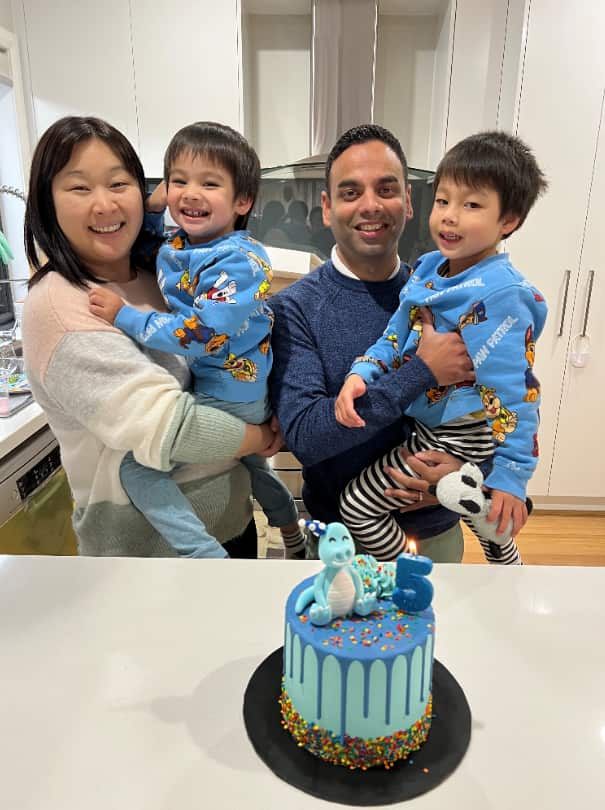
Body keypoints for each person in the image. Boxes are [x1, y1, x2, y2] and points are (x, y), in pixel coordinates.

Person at [22, 116, 281, 558]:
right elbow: (171, 430)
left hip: (230, 524)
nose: (104, 206)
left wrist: (172, 192)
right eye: (79, 188)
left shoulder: (154, 270)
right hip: (150, 557)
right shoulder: (62, 305)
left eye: (118, 184)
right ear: (47, 202)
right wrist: (263, 438)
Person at [86, 122, 305, 559]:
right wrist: (151, 201)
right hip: (227, 388)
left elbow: (201, 334)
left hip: (233, 396)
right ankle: (293, 533)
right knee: (249, 460)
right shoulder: (183, 244)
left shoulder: (239, 261)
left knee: (136, 470)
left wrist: (125, 315)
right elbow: (141, 239)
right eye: (179, 181)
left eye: (210, 183)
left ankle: (204, 556)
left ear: (242, 201)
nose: (190, 193)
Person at [336, 131, 548, 565]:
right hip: (431, 427)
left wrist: (510, 475)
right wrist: (363, 372)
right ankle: (496, 563)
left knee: (358, 506)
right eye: (443, 200)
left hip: (465, 433)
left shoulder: (501, 294)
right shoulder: (430, 268)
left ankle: (417, 579)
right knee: (476, 515)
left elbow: (517, 392)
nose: (449, 217)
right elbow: (397, 334)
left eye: (471, 205)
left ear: (509, 220)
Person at [269, 124, 475, 563]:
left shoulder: (450, 294)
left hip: (436, 535)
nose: (370, 205)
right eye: (350, 192)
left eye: (385, 188)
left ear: (409, 202)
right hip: (338, 547)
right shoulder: (295, 309)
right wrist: (421, 371)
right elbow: (305, 435)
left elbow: (501, 402)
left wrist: (468, 470)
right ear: (327, 208)